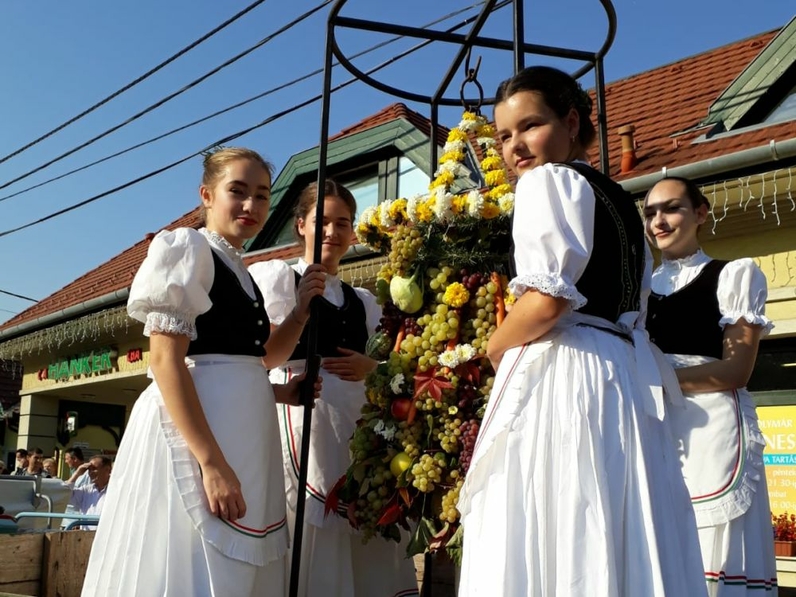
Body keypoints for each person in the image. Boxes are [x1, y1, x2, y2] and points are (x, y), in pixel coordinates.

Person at [456, 66, 707, 596]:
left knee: (557, 514)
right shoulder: (616, 199)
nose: (516, 146)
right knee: (616, 520)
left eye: (530, 126)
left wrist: (494, 346)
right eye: (504, 136)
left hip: (566, 370)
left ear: (571, 122)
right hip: (619, 375)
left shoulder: (549, 181)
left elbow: (546, 300)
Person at [82, 147, 323, 597]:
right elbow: (165, 361)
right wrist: (210, 463)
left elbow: (260, 360)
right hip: (199, 443)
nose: (251, 205)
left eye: (262, 195)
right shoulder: (188, 249)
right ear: (207, 195)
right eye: (238, 191)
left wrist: (300, 315)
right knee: (192, 561)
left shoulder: (242, 271)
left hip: (246, 444)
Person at [249, 180, 419, 597]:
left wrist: (371, 367)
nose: (332, 232)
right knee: (305, 517)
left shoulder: (364, 300)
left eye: (342, 223)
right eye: (322, 221)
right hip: (301, 415)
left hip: (354, 429)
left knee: (359, 517)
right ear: (301, 225)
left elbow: (395, 367)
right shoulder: (277, 279)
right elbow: (263, 353)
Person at [644, 177, 777, 595]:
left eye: (671, 209)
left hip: (711, 431)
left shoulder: (733, 276)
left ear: (701, 213)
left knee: (710, 551)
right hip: (654, 427)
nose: (658, 222)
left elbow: (736, 370)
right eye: (650, 213)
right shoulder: (638, 292)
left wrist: (655, 382)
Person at [66, 455, 113, 528]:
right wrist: (77, 474)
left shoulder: (116, 490)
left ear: (107, 470)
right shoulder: (86, 490)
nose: (90, 473)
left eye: (94, 469)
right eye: (89, 470)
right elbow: (65, 496)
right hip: (86, 535)